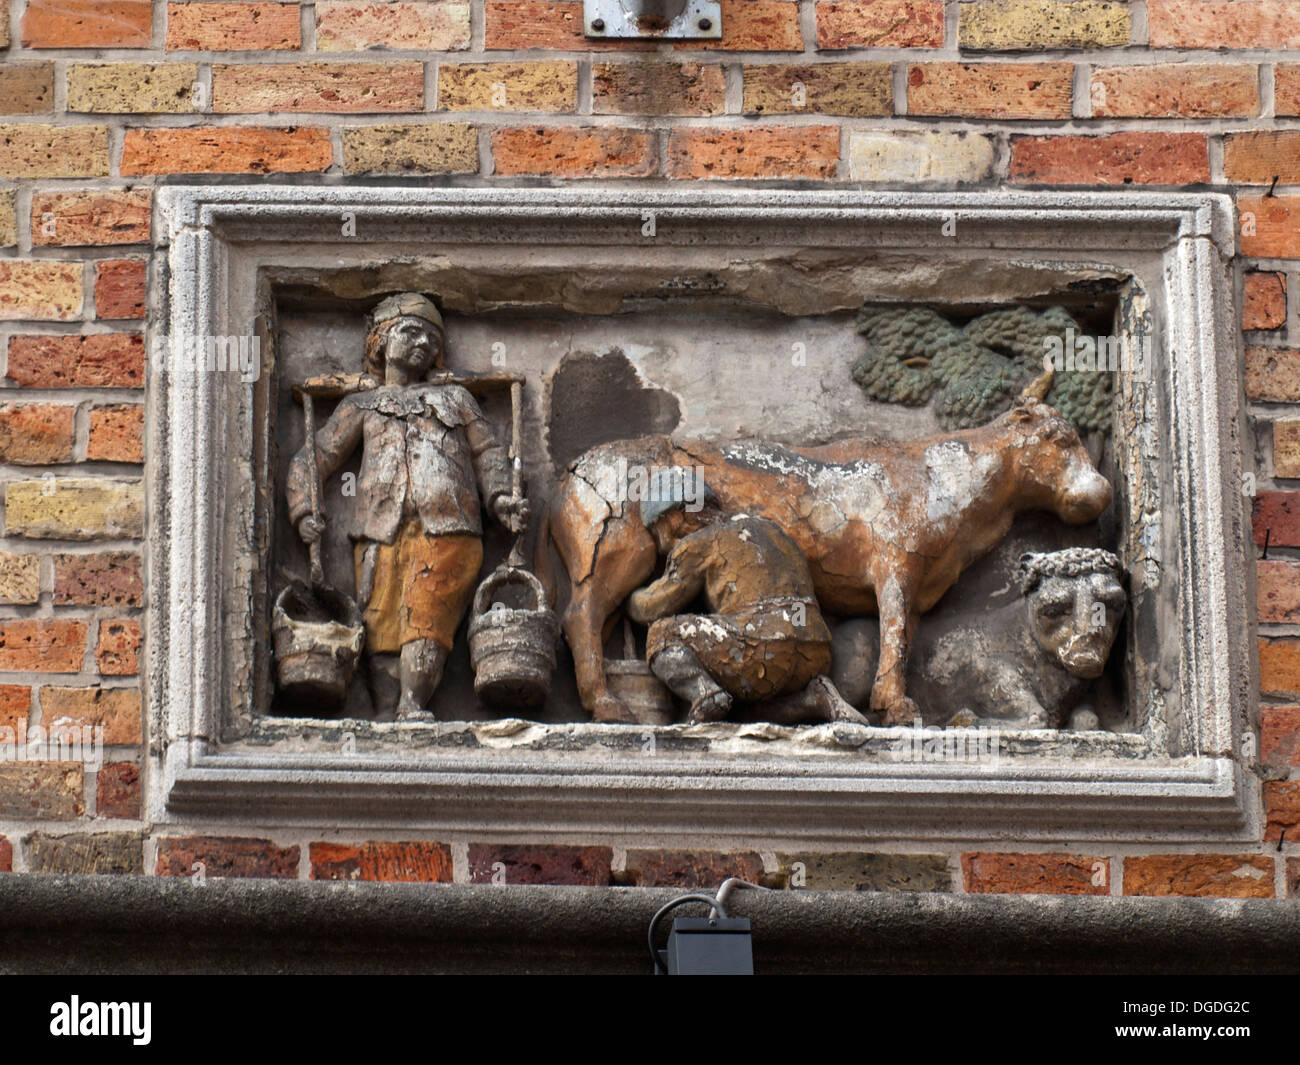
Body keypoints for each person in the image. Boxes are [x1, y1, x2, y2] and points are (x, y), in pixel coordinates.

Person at [286, 292, 527, 719]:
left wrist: (501, 498)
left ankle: (413, 705)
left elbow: (489, 454)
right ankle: (385, 713)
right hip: (381, 529)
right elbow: (313, 458)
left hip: (449, 526)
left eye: (432, 340)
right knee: (380, 623)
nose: (423, 345)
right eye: (410, 332)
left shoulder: (456, 401)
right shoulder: (360, 405)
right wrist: (305, 509)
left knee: (427, 614)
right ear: (380, 340)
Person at [626, 479, 864, 725]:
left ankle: (705, 694)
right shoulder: (771, 529)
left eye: (656, 529)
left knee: (661, 634)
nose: (659, 541)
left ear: (674, 517)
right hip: (815, 652)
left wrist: (629, 596)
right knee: (742, 711)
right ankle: (813, 698)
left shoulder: (697, 543)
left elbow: (655, 605)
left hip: (760, 650)